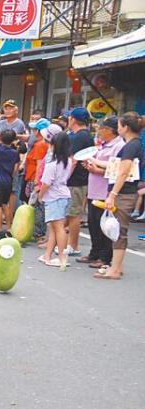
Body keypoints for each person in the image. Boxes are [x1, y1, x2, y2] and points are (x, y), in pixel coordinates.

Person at [98, 112, 144, 280]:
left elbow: (123, 172)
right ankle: (116, 266)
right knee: (117, 230)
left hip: (124, 193)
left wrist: (113, 194)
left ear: (125, 127)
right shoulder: (132, 144)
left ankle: (115, 269)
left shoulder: (132, 146)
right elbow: (116, 167)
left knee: (118, 231)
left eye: (119, 125)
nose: (117, 128)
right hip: (125, 191)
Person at [81, 116, 123, 270]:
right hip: (94, 190)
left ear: (111, 131)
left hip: (105, 191)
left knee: (104, 225)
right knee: (93, 224)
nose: (99, 132)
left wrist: (96, 170)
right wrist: (90, 166)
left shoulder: (118, 146)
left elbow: (117, 169)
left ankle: (105, 257)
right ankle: (94, 253)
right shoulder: (104, 145)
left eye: (102, 129)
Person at [37, 131, 73, 270]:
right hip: (63, 194)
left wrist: (40, 196)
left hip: (54, 197)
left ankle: (61, 257)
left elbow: (46, 183)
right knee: (54, 228)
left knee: (58, 228)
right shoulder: (68, 161)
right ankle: (47, 255)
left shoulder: (52, 164)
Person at [64, 107, 94, 257]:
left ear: (73, 119)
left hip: (75, 180)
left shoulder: (77, 137)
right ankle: (63, 242)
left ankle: (73, 245)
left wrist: (64, 178)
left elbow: (73, 160)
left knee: (74, 214)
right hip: (82, 179)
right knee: (71, 212)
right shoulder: (87, 135)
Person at [0, 128, 21, 233]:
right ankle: (8, 227)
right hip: (8, 180)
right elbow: (16, 168)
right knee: (5, 204)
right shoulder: (15, 153)